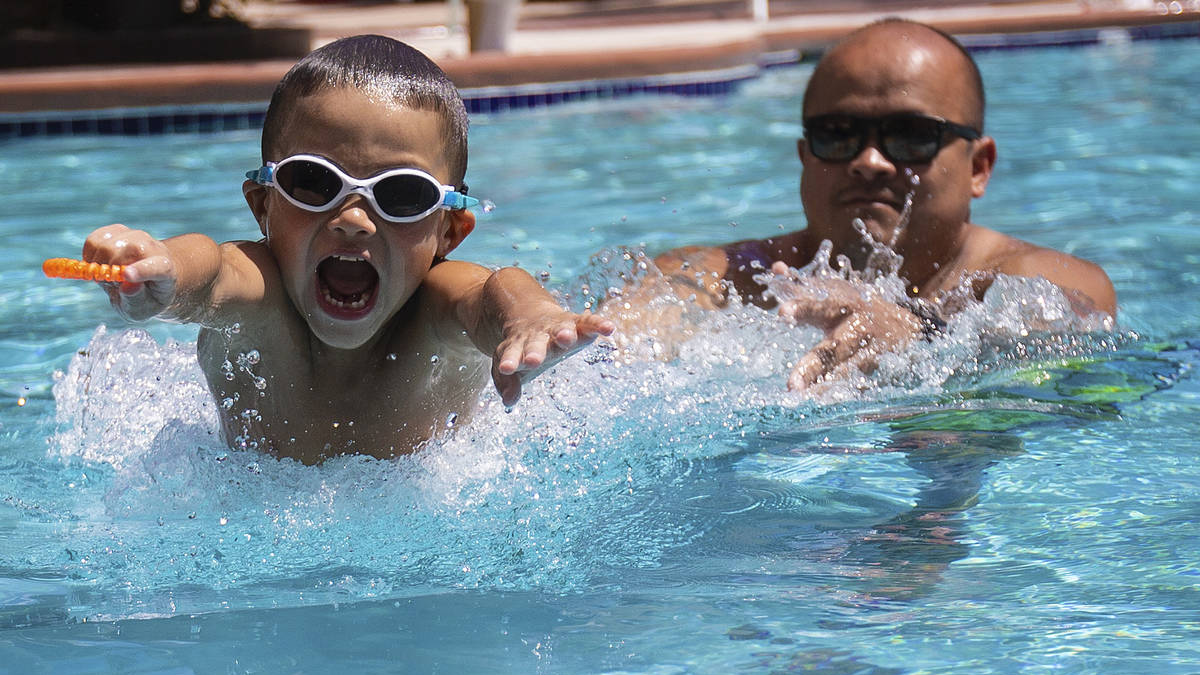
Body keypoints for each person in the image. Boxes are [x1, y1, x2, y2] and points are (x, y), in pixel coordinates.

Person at [79, 35, 612, 463]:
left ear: (448, 232)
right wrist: (164, 266)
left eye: (403, 193)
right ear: (263, 204)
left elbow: (494, 290)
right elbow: (213, 269)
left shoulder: (434, 304)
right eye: (313, 182)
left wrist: (531, 319)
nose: (354, 219)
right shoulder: (259, 298)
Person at [638, 18, 1116, 391]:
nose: (869, 161)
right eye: (838, 134)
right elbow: (612, 336)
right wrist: (562, 321)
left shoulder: (1036, 280)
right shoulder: (732, 278)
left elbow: (1060, 344)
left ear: (979, 167)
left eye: (911, 135)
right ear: (805, 157)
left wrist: (917, 332)